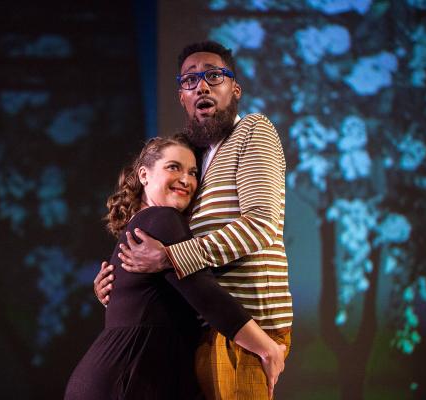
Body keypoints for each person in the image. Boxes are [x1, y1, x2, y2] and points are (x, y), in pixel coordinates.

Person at [94, 41, 293, 399]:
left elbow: (262, 222)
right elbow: (152, 215)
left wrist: (173, 257)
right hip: (206, 330)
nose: (201, 85)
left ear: (235, 90)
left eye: (213, 75)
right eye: (190, 80)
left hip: (249, 330)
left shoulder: (252, 131)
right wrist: (117, 281)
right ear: (182, 97)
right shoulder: (196, 156)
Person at [66, 136, 285, 399]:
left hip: (118, 378)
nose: (186, 179)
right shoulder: (162, 219)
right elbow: (204, 293)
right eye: (173, 167)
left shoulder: (142, 225)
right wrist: (267, 348)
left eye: (193, 172)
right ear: (144, 175)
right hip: (128, 380)